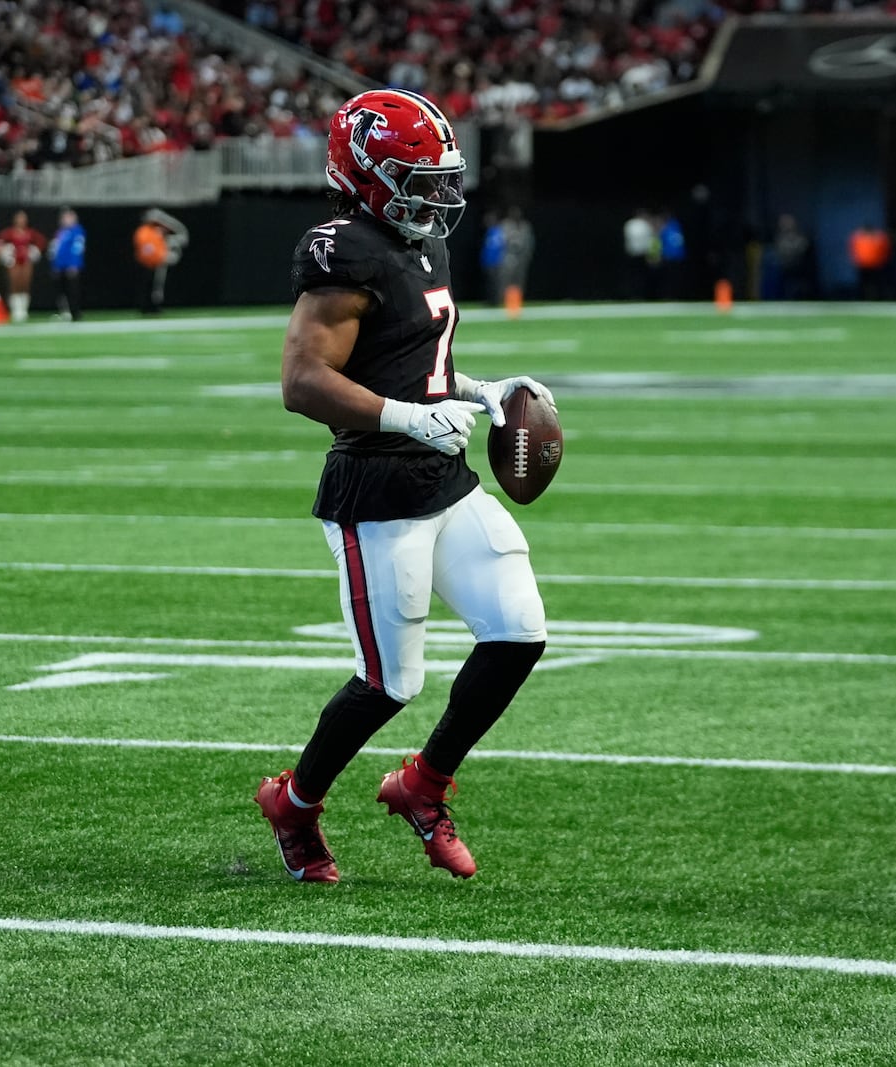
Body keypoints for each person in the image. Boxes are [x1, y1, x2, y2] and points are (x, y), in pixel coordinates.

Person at [256, 88, 553, 883]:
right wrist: (405, 417)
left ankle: (422, 783)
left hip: (443, 480)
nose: (436, 196)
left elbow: (417, 362)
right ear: (365, 174)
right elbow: (302, 381)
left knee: (519, 628)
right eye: (415, 179)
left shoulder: (422, 244)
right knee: (392, 680)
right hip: (375, 489)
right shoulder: (342, 252)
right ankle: (295, 801)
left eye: (439, 178)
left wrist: (477, 391)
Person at [132, 207, 188, 314]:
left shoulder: (155, 231)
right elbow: (147, 250)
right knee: (147, 287)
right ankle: (146, 307)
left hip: (155, 263)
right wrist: (161, 256)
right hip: (147, 264)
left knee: (156, 287)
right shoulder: (143, 232)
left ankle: (154, 306)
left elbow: (177, 234)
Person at [0, 211, 47, 323]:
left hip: (26, 261)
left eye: (23, 219)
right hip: (14, 261)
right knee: (14, 284)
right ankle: (15, 310)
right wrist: (6, 252)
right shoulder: (9, 232)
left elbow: (42, 241)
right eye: (19, 218)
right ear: (15, 220)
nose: (21, 221)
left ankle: (24, 309)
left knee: (25, 283)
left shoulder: (30, 232)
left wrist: (34, 251)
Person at [49, 208, 86, 321]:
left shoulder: (77, 231)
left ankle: (75, 313)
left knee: (73, 290)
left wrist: (74, 264)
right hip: (60, 266)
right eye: (64, 218)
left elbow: (78, 249)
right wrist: (54, 265)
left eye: (68, 217)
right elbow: (55, 249)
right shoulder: (60, 232)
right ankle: (64, 312)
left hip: (71, 266)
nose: (65, 220)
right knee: (61, 291)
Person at [497, 204, 534, 315]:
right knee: (506, 282)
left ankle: (517, 305)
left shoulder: (525, 226)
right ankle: (504, 304)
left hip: (521, 258)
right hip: (508, 257)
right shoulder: (505, 225)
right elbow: (501, 241)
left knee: (519, 283)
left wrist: (527, 256)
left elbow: (529, 242)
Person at [848, 220, 891, 300]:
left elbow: (885, 250)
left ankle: (878, 298)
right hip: (863, 265)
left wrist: (882, 261)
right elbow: (853, 249)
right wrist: (856, 260)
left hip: (876, 265)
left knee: (877, 283)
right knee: (864, 283)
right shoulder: (859, 237)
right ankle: (863, 298)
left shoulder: (878, 237)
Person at [622, 208, 655, 299]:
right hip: (641, 254)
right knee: (640, 277)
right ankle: (639, 295)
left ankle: (634, 295)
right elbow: (649, 240)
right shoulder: (644, 224)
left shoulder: (629, 224)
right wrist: (651, 255)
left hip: (631, 254)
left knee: (634, 277)